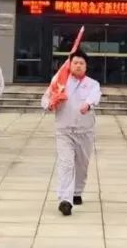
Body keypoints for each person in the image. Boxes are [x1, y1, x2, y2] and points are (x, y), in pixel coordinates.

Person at [42, 50, 101, 216]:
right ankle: (65, 200)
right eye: (75, 63)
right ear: (70, 64)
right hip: (64, 130)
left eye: (81, 63)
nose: (78, 66)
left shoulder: (93, 84)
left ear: (86, 66)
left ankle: (77, 191)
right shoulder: (60, 82)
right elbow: (45, 99)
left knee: (82, 163)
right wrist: (49, 104)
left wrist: (87, 104)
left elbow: (94, 97)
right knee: (66, 163)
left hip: (84, 130)